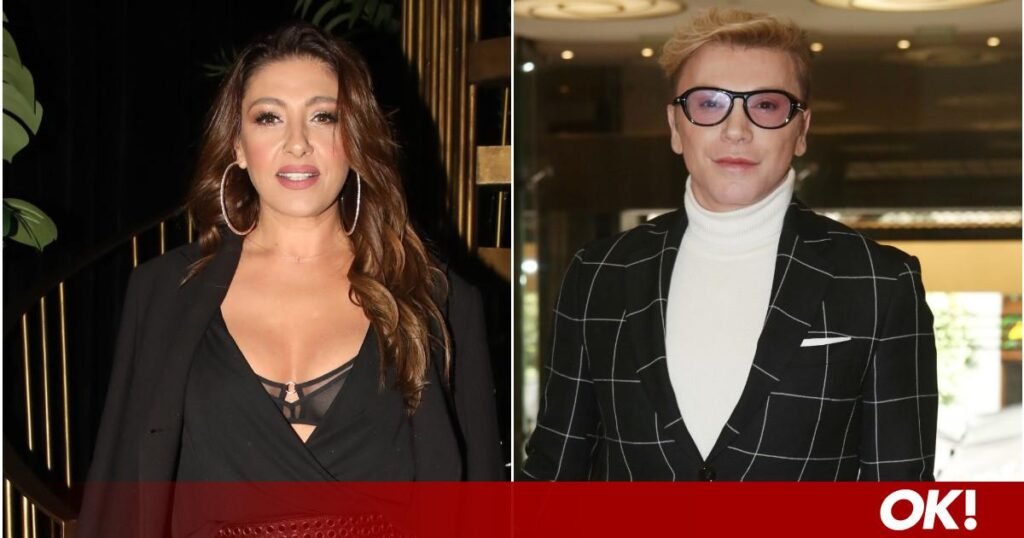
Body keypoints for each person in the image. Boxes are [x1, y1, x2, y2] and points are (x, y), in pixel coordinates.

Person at [79, 21, 503, 537]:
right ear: (237, 145)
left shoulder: (438, 300)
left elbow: (478, 505)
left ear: (356, 139)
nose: (297, 144)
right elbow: (120, 494)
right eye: (269, 118)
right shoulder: (163, 294)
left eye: (323, 116)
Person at [522, 7, 937, 481]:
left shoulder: (881, 282)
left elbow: (900, 492)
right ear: (676, 126)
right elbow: (555, 470)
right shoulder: (599, 273)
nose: (736, 130)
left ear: (801, 130)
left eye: (766, 106)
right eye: (709, 103)